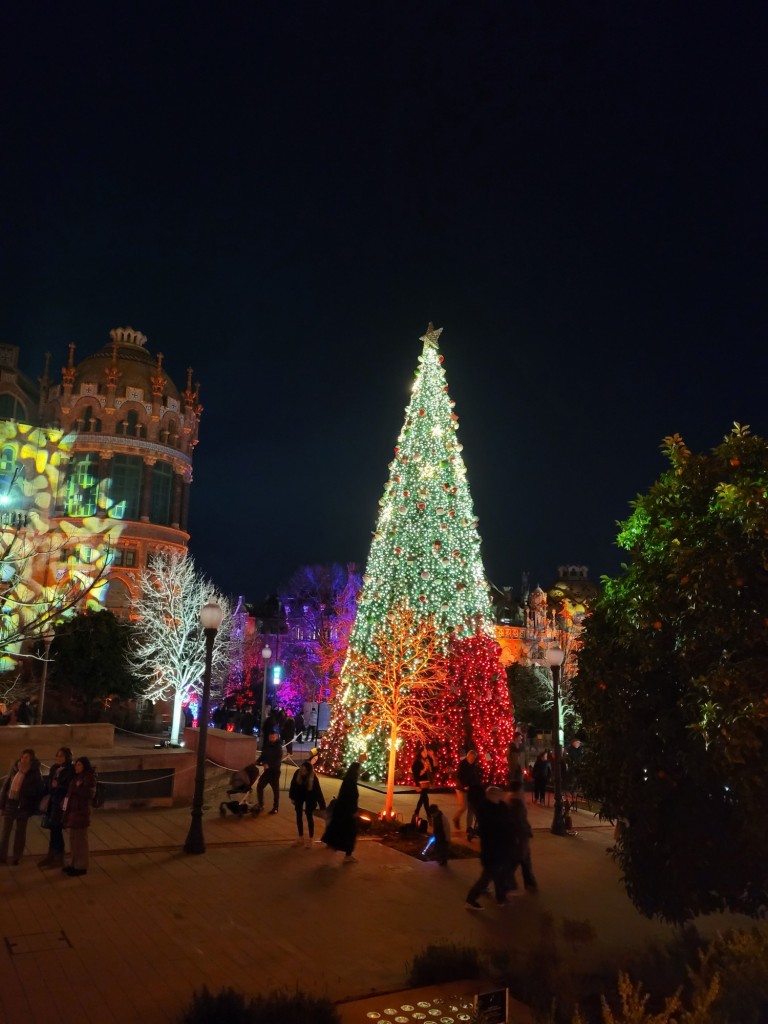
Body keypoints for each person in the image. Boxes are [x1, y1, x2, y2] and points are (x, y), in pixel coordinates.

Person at [465, 786, 511, 909]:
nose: (500, 796)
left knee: (497, 874)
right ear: (490, 795)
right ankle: (471, 899)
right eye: (496, 794)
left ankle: (501, 898)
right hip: (491, 849)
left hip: (497, 848)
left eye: (500, 793)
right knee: (488, 876)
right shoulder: (486, 810)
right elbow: (488, 829)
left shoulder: (500, 806)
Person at [0, 748, 44, 865]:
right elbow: (6, 786)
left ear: (31, 760)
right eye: (22, 757)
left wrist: (31, 806)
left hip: (24, 806)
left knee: (20, 833)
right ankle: (2, 856)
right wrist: (2, 804)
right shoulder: (15, 768)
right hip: (11, 802)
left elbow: (38, 791)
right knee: (5, 831)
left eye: (26, 758)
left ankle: (17, 857)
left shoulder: (35, 772)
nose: (23, 760)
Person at [39, 747, 75, 869]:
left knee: (57, 829)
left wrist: (57, 785)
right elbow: (49, 783)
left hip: (60, 804)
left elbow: (68, 788)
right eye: (58, 755)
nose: (59, 758)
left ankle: (59, 857)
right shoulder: (54, 768)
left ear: (67, 758)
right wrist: (52, 785)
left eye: (62, 756)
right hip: (52, 802)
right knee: (52, 829)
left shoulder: (70, 770)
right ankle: (51, 855)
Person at [62, 755, 97, 876]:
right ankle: (73, 863)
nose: (76, 767)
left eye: (79, 764)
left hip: (81, 813)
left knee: (81, 841)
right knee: (73, 840)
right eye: (76, 764)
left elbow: (89, 794)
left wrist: (77, 789)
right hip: (73, 812)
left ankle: (81, 866)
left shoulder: (88, 778)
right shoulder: (76, 778)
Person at [321, 761, 360, 863]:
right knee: (349, 833)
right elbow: (350, 798)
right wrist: (353, 811)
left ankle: (340, 851)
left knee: (341, 833)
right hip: (346, 813)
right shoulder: (350, 783)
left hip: (342, 812)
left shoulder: (348, 781)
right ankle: (346, 854)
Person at [507, 780, 537, 892]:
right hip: (519, 836)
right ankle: (508, 882)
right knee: (518, 859)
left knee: (525, 860)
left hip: (521, 835)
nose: (523, 791)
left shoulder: (515, 801)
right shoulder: (516, 804)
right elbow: (519, 822)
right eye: (522, 789)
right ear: (518, 790)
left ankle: (529, 882)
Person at [289, 759, 326, 847]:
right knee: (298, 814)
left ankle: (310, 838)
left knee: (309, 815)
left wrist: (322, 806)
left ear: (308, 771)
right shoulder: (297, 773)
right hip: (299, 795)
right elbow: (293, 785)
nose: (302, 772)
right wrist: (292, 797)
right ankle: (300, 837)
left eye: (304, 770)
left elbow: (318, 791)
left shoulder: (313, 778)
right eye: (301, 769)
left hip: (310, 796)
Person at [454, 748, 483, 838]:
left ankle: (469, 827)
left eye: (474, 758)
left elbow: (474, 777)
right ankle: (456, 818)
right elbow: (458, 777)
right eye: (471, 758)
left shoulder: (473, 765)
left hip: (470, 789)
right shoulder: (462, 764)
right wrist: (463, 786)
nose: (472, 760)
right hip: (461, 788)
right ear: (468, 756)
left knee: (471, 808)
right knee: (463, 807)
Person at [254, 730, 283, 814]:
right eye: (271, 737)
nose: (272, 738)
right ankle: (261, 804)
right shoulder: (267, 745)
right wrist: (257, 761)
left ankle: (275, 807)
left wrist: (269, 765)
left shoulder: (279, 748)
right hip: (267, 771)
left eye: (273, 737)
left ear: (276, 737)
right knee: (260, 786)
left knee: (275, 790)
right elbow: (263, 755)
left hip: (275, 772)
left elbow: (278, 761)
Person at [411, 745, 435, 820]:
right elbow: (416, 773)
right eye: (423, 752)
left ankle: (417, 812)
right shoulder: (417, 761)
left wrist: (433, 757)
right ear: (420, 753)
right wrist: (424, 769)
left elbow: (434, 767)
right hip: (421, 782)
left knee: (424, 798)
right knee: (424, 797)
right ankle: (427, 814)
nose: (425, 753)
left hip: (426, 781)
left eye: (426, 752)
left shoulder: (427, 760)